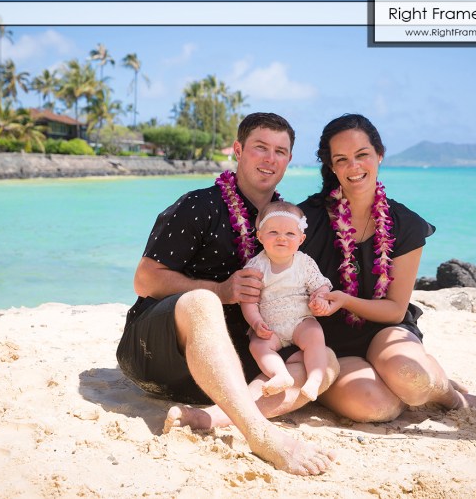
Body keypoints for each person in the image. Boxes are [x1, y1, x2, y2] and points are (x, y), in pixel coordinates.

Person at [116, 112, 337, 475]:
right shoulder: (199, 205)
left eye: (280, 151)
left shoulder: (281, 223)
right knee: (203, 302)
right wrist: (220, 290)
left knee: (325, 360)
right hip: (160, 351)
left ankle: (207, 418)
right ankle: (260, 434)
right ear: (238, 150)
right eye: (260, 148)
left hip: (233, 364)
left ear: (288, 160)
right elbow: (145, 279)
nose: (270, 159)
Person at [300, 113, 476, 422]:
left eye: (363, 155)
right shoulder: (307, 221)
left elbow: (396, 310)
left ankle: (452, 397)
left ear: (379, 155)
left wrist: (345, 301)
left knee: (412, 379)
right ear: (331, 166)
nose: (354, 166)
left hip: (385, 331)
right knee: (377, 408)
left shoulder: (405, 225)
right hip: (327, 345)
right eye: (342, 159)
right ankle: (408, 383)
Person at [241, 201, 332, 402]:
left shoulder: (304, 263)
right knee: (257, 345)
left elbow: (320, 285)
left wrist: (320, 297)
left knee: (315, 334)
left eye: (290, 234)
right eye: (273, 232)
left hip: (300, 320)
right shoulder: (256, 266)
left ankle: (315, 379)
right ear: (260, 236)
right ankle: (279, 375)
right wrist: (256, 323)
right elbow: (248, 301)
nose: (282, 237)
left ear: (301, 239)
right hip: (269, 325)